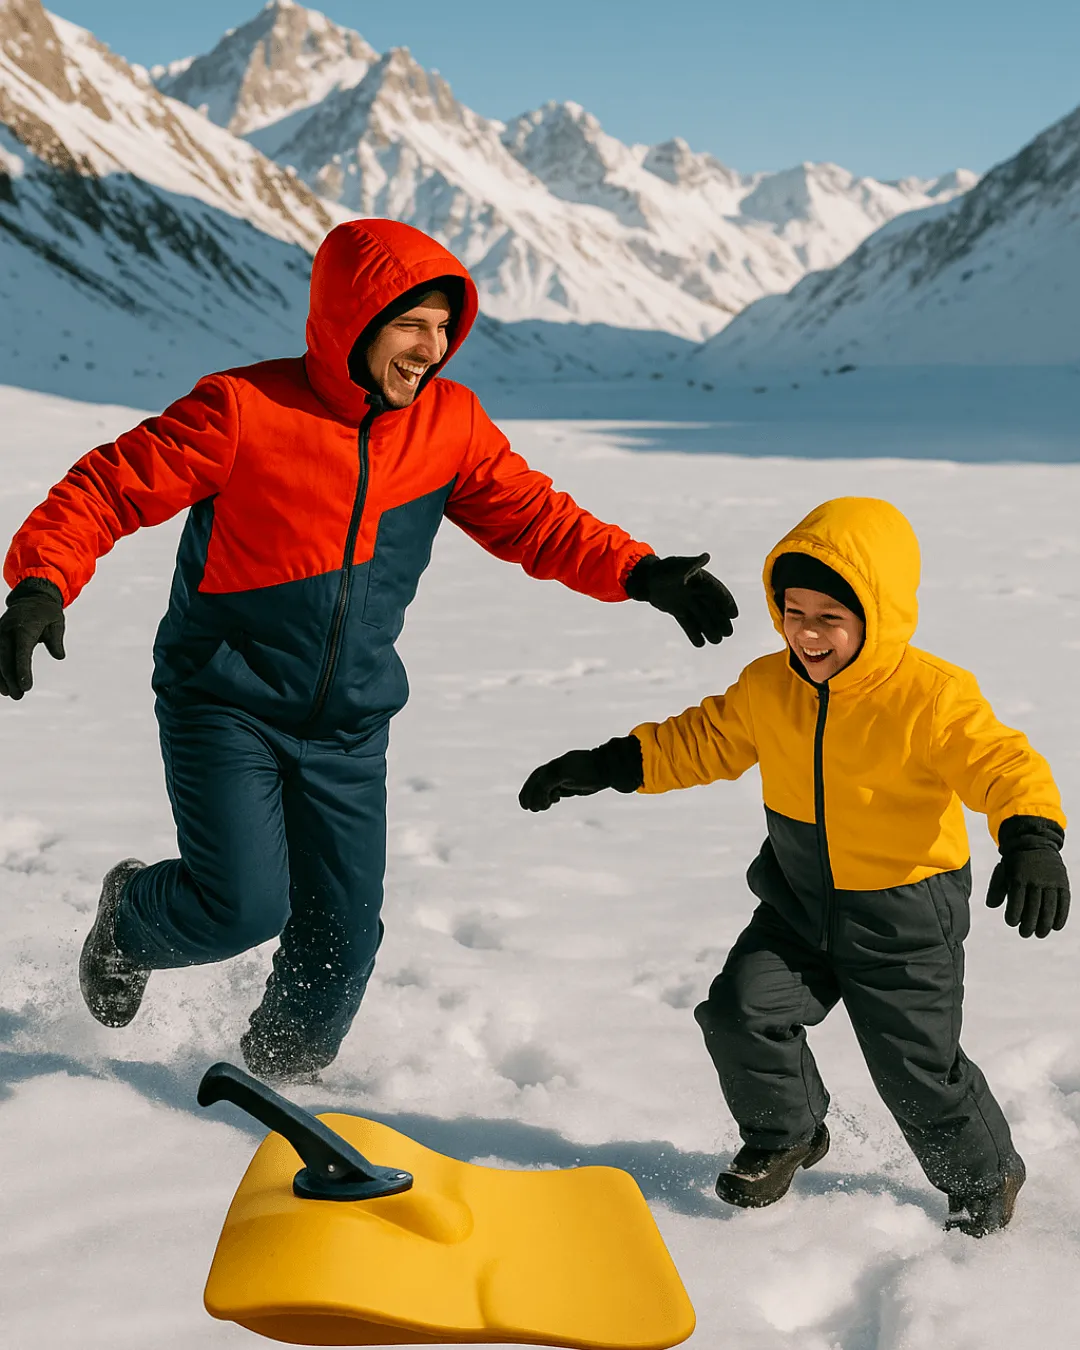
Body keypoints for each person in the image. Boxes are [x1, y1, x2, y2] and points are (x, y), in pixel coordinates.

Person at [0, 219, 738, 1081]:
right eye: (409, 324)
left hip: (350, 725)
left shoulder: (449, 427)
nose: (430, 349)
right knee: (242, 905)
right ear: (354, 322)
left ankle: (265, 1090)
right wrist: (42, 583)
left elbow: (534, 519)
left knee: (342, 940)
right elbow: (109, 487)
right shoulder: (244, 409)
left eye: (442, 329)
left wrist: (643, 573)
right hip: (226, 702)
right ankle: (129, 924)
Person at [519, 496, 1069, 1237]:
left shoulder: (930, 696)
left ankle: (983, 1176)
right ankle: (788, 1135)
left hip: (904, 915)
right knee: (741, 1011)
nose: (807, 634)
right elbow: (700, 740)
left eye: (830, 618)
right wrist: (608, 764)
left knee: (915, 1068)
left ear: (878, 615)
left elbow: (1002, 762)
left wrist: (1031, 839)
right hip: (798, 903)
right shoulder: (768, 687)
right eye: (793, 611)